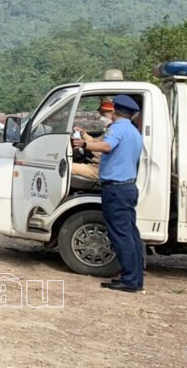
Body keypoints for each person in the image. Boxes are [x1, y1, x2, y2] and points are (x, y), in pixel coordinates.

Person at [73, 94, 144, 293]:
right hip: (128, 187)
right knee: (130, 234)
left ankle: (129, 281)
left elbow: (106, 146)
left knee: (120, 235)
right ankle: (135, 278)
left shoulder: (117, 129)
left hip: (116, 189)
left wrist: (84, 145)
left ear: (115, 111)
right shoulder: (134, 132)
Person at [71, 99, 114, 182]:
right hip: (98, 165)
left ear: (113, 114)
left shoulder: (114, 131)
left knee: (67, 167)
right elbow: (96, 142)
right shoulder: (109, 130)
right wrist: (83, 134)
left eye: (104, 115)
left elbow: (101, 146)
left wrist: (84, 144)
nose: (102, 118)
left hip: (101, 168)